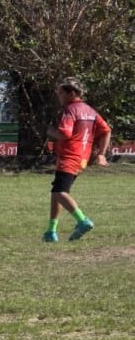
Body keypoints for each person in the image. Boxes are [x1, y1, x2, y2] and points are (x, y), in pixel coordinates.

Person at [43, 78, 111, 243]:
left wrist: (50, 132)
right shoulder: (90, 111)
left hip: (69, 155)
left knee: (60, 192)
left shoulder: (71, 110)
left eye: (61, 93)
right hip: (82, 157)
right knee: (57, 193)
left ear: (71, 93)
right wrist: (101, 153)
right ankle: (51, 232)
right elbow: (106, 130)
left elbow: (65, 134)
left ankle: (82, 221)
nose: (59, 96)